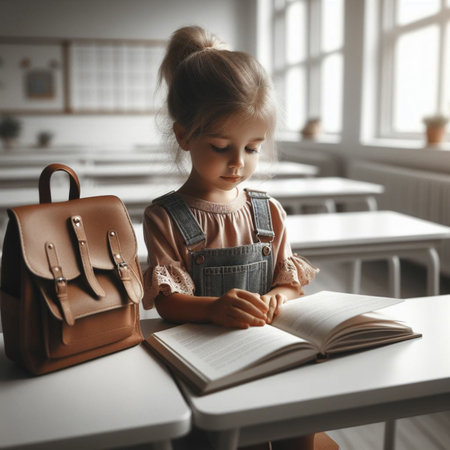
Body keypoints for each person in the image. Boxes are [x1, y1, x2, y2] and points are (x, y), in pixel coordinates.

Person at [143, 26, 319, 450]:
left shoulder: (268, 211)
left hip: (266, 356)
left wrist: (280, 295)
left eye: (253, 148)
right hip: (202, 365)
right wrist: (214, 309)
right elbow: (166, 302)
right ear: (184, 135)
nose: (238, 163)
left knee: (300, 417)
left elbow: (289, 279)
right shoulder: (166, 216)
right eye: (222, 146)